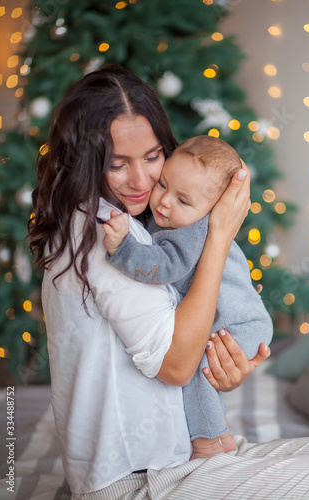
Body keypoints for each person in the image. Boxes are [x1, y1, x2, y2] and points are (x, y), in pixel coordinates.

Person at [28, 65, 309, 500]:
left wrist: (219, 362)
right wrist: (220, 235)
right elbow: (176, 365)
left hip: (175, 457)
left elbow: (190, 339)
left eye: (153, 158)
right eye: (117, 165)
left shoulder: (135, 223)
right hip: (141, 479)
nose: (141, 181)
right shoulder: (104, 229)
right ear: (85, 161)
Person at [102, 135, 273, 460]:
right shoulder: (177, 220)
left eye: (183, 201)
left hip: (243, 325)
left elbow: (164, 267)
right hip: (233, 321)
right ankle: (220, 435)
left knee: (196, 366)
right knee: (200, 366)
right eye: (164, 185)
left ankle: (209, 439)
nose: (164, 202)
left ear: (213, 209)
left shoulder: (194, 232)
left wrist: (123, 248)